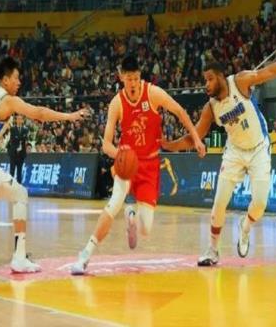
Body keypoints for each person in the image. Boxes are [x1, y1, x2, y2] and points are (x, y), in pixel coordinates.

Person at [162, 51, 276, 266]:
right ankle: (213, 250)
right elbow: (194, 137)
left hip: (259, 148)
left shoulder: (240, 82)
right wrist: (169, 145)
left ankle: (246, 226)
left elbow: (270, 71)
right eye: (205, 80)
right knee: (219, 203)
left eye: (210, 79)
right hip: (234, 152)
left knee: (260, 204)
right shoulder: (211, 107)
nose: (206, 84)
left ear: (220, 77)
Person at [71, 56, 205, 275]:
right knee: (113, 204)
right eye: (128, 79)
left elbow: (180, 111)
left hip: (150, 164)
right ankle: (85, 255)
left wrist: (196, 139)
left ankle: (131, 212)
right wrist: (122, 154)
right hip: (127, 164)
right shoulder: (117, 103)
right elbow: (106, 144)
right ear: (121, 77)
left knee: (146, 229)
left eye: (135, 78)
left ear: (139, 76)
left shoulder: (153, 93)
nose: (132, 83)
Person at [0, 57, 88, 273]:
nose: (19, 82)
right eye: (16, 78)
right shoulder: (7, 101)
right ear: (5, 79)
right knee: (20, 195)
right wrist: (70, 116)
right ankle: (19, 258)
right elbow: (39, 113)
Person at [7, 115, 28, 183]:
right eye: (18, 119)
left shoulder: (25, 129)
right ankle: (10, 185)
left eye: (20, 119)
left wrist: (18, 138)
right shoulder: (12, 129)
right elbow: (13, 139)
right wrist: (21, 138)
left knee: (19, 171)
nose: (19, 120)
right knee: (12, 170)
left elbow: (25, 138)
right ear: (16, 120)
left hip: (21, 153)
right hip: (13, 152)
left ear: (23, 120)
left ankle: (19, 185)